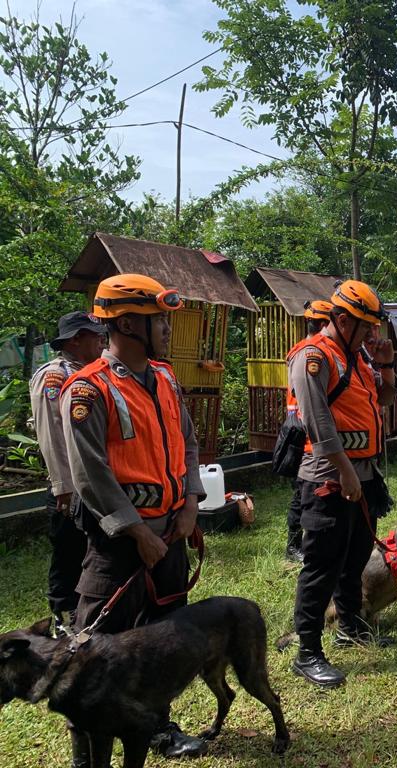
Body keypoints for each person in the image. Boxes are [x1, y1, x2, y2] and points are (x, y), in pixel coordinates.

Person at [61, 274, 207, 761]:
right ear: (126, 324)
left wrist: (190, 503)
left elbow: (188, 443)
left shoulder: (164, 378)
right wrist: (138, 532)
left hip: (172, 531)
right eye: (158, 319)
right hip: (121, 541)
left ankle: (158, 727)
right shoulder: (88, 389)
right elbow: (90, 474)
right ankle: (87, 751)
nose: (166, 328)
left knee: (164, 639)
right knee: (96, 645)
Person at [288, 279, 396, 689]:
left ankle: (351, 626)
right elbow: (317, 421)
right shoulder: (314, 356)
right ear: (342, 319)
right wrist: (345, 470)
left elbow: (384, 400)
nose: (372, 334)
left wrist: (385, 365)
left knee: (355, 558)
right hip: (329, 479)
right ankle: (307, 651)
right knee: (322, 566)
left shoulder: (357, 357)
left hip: (362, 475)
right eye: (366, 326)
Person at [29, 311, 106, 626]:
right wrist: (63, 486)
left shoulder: (91, 373)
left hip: (93, 482)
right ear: (75, 340)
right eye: (95, 335)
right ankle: (63, 618)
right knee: (69, 552)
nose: (102, 340)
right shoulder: (55, 376)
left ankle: (88, 613)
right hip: (70, 485)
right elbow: (52, 433)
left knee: (92, 551)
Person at [283, 300, 333, 563]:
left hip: (304, 429)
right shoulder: (309, 352)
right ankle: (294, 545)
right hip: (303, 433)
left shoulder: (303, 350)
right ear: (324, 324)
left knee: (304, 491)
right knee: (301, 492)